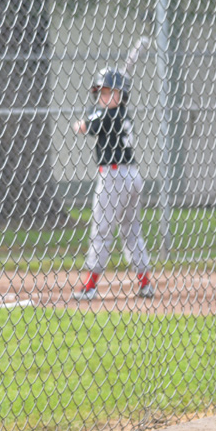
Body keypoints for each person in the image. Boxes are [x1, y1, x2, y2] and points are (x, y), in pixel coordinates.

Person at [71, 67, 152, 300]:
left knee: (101, 230)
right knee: (131, 232)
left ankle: (89, 287)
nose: (103, 97)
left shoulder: (108, 114)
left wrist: (85, 119)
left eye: (108, 92)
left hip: (113, 177)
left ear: (121, 94)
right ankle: (145, 284)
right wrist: (94, 112)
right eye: (101, 93)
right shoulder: (122, 114)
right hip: (132, 176)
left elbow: (84, 127)